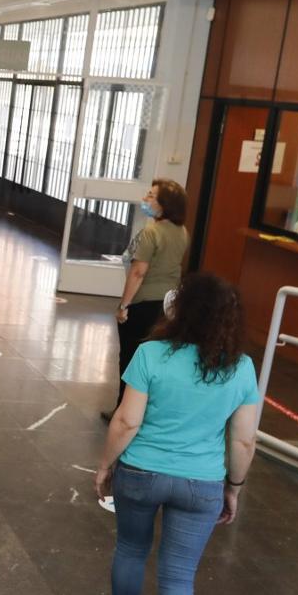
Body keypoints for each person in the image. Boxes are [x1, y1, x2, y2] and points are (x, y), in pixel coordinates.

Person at [92, 272, 259, 595]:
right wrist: (234, 488)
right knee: (178, 578)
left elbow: (126, 422)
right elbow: (242, 442)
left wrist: (106, 465)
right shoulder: (240, 367)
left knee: (130, 548)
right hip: (201, 484)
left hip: (142, 473)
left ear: (179, 310)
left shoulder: (150, 354)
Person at [102, 179, 189, 423]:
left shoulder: (151, 232)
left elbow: (138, 272)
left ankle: (124, 410)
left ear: (164, 205)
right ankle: (150, 411)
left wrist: (123, 305)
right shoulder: (182, 232)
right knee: (157, 358)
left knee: (130, 356)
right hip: (168, 304)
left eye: (151, 196)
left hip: (144, 303)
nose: (145, 199)